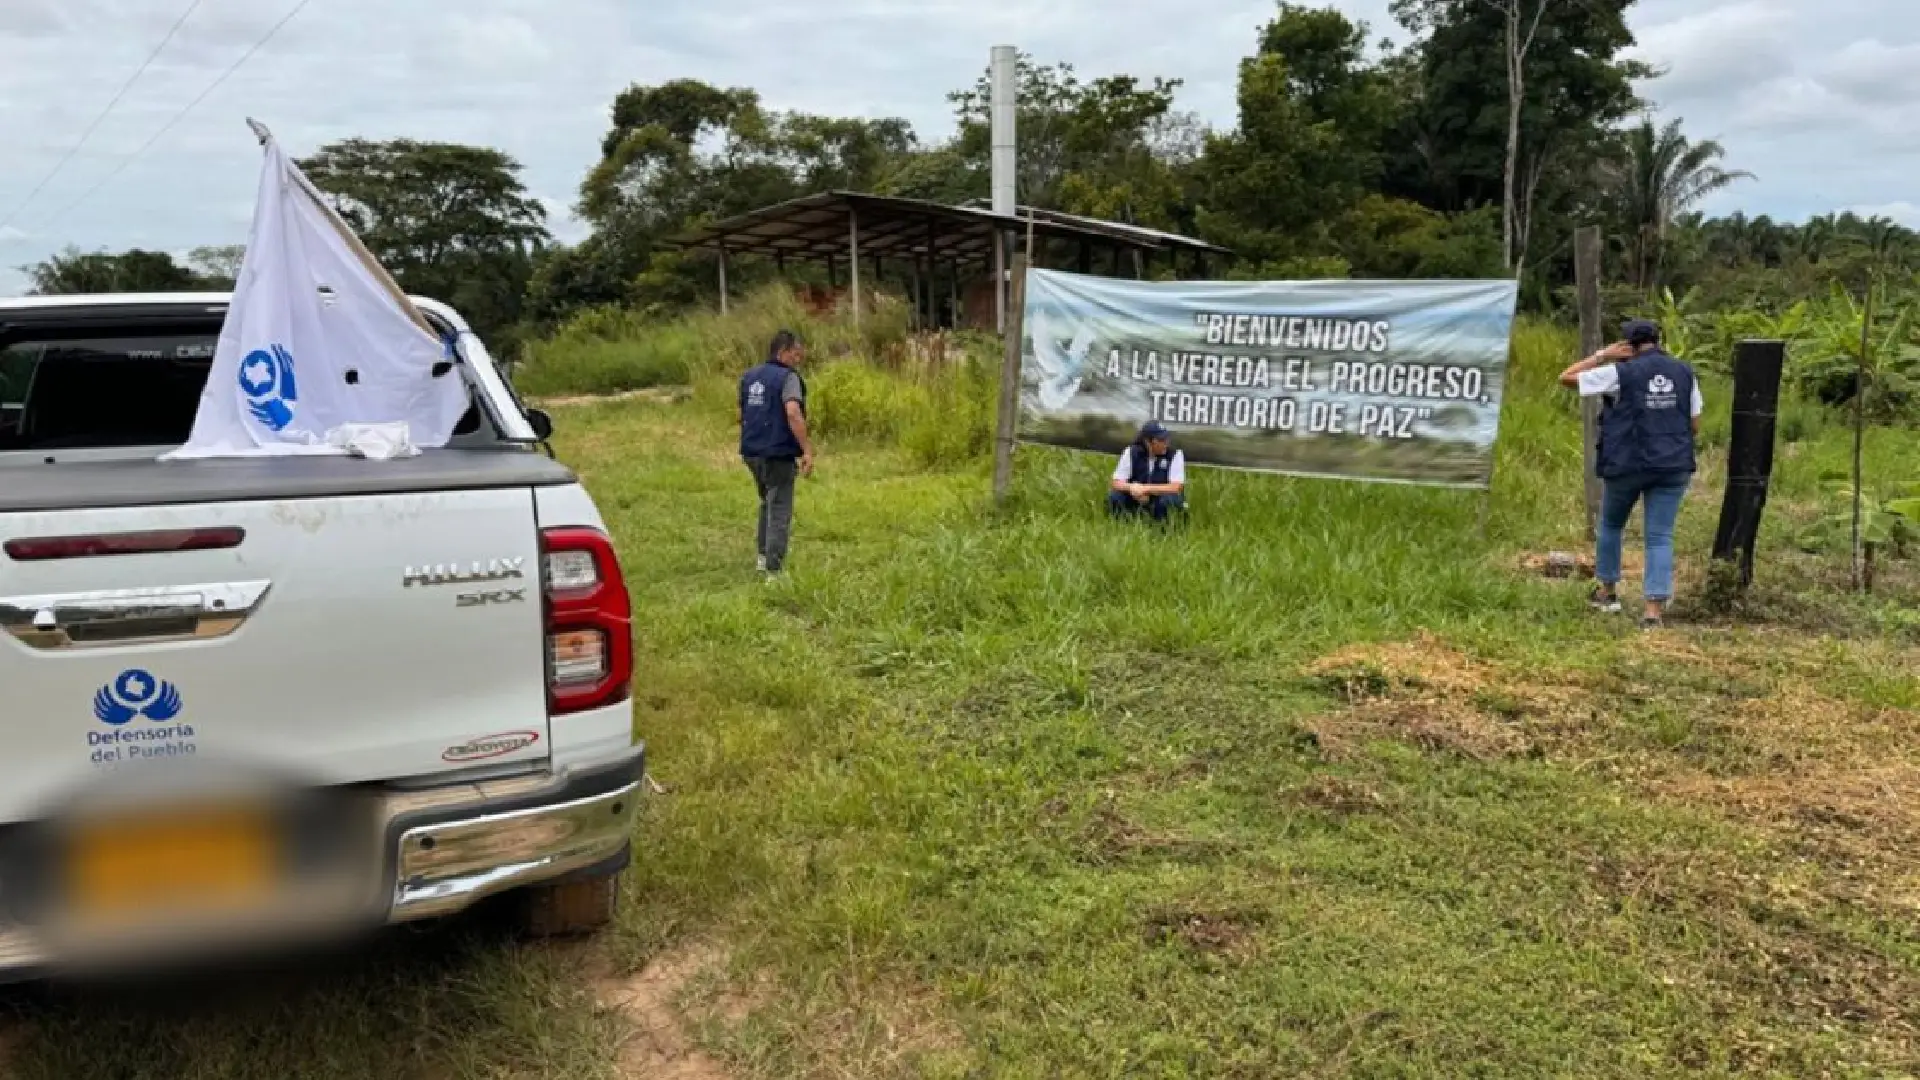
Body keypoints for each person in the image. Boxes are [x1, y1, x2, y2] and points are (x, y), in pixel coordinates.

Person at [1559, 318, 1702, 629]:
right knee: (1660, 536)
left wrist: (1602, 356)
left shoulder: (1618, 372)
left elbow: (1567, 377)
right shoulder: (1684, 372)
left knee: (1611, 525)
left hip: (1627, 463)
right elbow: (1694, 423)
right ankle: (1653, 612)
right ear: (1657, 340)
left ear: (1627, 346)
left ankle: (1608, 593)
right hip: (1673, 465)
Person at [739, 330, 813, 576]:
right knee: (780, 509)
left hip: (752, 452)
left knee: (766, 503)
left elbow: (745, 411)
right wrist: (807, 450)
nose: (798, 359)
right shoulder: (787, 378)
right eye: (795, 354)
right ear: (782, 352)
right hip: (777, 453)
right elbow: (792, 412)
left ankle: (762, 557)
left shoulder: (749, 377)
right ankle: (774, 571)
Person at [1108, 421, 1187, 522]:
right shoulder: (1131, 452)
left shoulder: (1175, 454)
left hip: (1160, 497)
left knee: (1168, 501)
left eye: (1166, 438)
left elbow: (1176, 487)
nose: (1165, 443)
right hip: (1136, 497)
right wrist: (1132, 488)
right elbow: (1116, 482)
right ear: (1147, 442)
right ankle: (1122, 526)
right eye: (1161, 440)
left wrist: (1145, 489)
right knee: (1116, 496)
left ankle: (1163, 529)